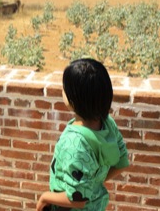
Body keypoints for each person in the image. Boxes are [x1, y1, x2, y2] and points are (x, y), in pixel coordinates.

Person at [36, 58, 129, 211]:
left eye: (65, 88)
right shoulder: (108, 124)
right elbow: (122, 162)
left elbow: (77, 200)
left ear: (74, 99)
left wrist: (44, 198)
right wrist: (92, 184)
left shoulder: (75, 143)